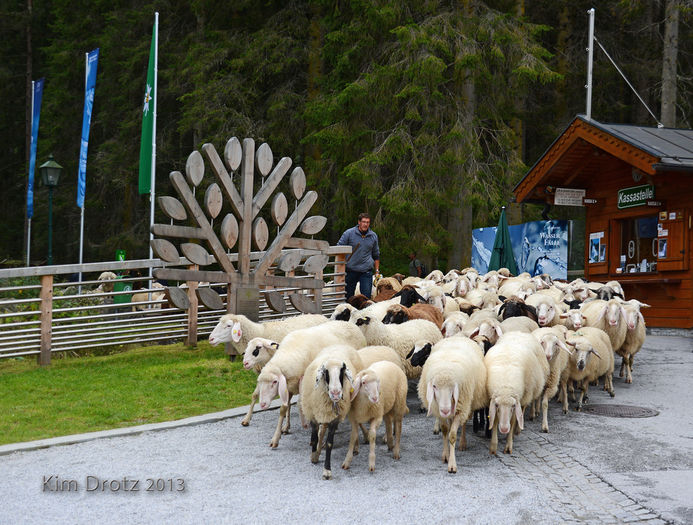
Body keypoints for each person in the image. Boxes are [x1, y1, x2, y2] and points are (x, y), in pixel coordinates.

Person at [337, 213, 380, 299]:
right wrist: (340, 266)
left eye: (367, 222)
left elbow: (376, 255)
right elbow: (339, 249)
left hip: (366, 271)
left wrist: (377, 271)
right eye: (363, 222)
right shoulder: (349, 233)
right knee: (348, 297)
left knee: (366, 297)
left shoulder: (373, 236)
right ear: (359, 222)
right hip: (351, 270)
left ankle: (363, 312)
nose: (365, 224)